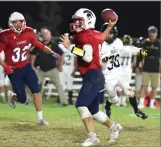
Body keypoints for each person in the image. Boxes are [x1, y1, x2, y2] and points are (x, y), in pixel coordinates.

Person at [60, 8, 123, 146]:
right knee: (93, 111)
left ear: (87, 21)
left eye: (79, 21)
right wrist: (110, 27)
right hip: (97, 76)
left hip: (93, 75)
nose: (75, 23)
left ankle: (92, 137)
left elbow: (87, 57)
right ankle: (114, 127)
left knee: (81, 104)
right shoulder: (94, 34)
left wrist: (70, 47)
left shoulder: (83, 36)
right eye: (75, 20)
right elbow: (102, 37)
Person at [0, 12, 60, 125]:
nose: (18, 24)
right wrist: (5, 66)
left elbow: (39, 45)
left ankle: (40, 119)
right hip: (13, 70)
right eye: (15, 22)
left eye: (20, 22)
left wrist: (52, 52)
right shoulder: (6, 36)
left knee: (36, 91)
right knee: (23, 99)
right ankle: (14, 97)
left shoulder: (28, 32)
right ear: (10, 24)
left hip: (26, 67)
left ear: (24, 22)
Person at [100, 23, 148, 120]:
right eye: (108, 33)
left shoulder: (117, 42)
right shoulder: (100, 45)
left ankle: (137, 111)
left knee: (130, 92)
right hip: (108, 76)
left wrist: (139, 50)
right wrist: (104, 60)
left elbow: (127, 48)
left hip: (119, 74)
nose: (110, 35)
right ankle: (107, 106)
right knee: (114, 99)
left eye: (112, 33)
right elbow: (100, 64)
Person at [30, 27, 68, 106]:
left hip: (52, 69)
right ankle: (29, 101)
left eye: (48, 34)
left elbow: (61, 55)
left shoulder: (54, 45)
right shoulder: (39, 44)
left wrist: (60, 65)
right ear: (42, 35)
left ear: (50, 35)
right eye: (45, 34)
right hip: (41, 69)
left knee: (58, 85)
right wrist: (32, 65)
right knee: (34, 83)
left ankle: (64, 102)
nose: (46, 35)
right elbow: (33, 54)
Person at [138, 26, 161, 109]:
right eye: (151, 32)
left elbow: (160, 57)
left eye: (154, 32)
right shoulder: (145, 43)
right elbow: (142, 56)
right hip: (146, 68)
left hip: (156, 68)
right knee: (143, 85)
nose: (152, 34)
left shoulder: (159, 43)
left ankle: (151, 103)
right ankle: (141, 103)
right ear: (149, 33)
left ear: (156, 33)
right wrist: (141, 66)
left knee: (154, 87)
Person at [115, 34, 137, 107]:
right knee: (123, 86)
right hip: (126, 69)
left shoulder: (119, 48)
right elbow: (135, 58)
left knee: (121, 86)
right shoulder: (131, 48)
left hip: (122, 69)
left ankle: (121, 100)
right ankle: (122, 100)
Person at [58, 33, 77, 105]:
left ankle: (70, 100)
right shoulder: (60, 46)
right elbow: (57, 57)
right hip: (62, 67)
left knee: (70, 85)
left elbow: (76, 59)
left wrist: (75, 69)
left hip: (70, 68)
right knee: (61, 84)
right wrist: (59, 66)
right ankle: (60, 100)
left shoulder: (73, 47)